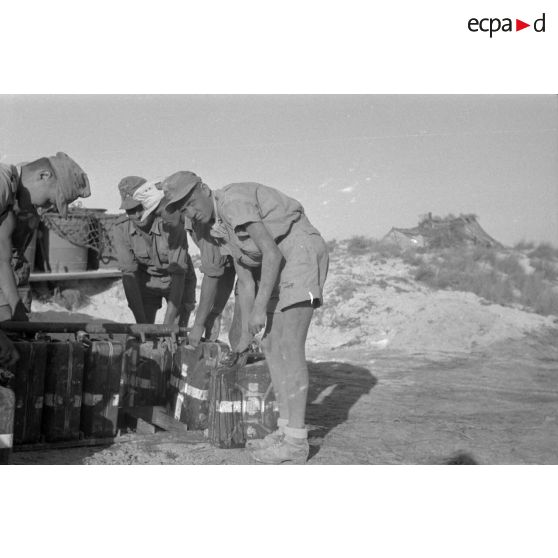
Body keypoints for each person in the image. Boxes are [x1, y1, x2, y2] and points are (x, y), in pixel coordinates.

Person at [161, 171, 329, 464]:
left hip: (298, 251)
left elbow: (272, 254)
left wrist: (260, 308)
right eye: (183, 209)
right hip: (276, 265)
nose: (190, 211)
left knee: (289, 346)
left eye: (189, 202)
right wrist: (247, 332)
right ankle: (284, 430)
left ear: (203, 188)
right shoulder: (218, 228)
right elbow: (246, 281)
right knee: (270, 346)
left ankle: (297, 441)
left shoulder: (232, 202)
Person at [0, 152, 91, 321]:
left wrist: (16, 307)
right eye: (49, 201)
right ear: (44, 175)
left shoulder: (9, 201)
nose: (42, 210)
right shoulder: (2, 183)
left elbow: (2, 262)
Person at [113, 176, 196, 326]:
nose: (137, 215)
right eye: (131, 210)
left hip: (178, 281)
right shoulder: (121, 228)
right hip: (148, 281)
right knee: (145, 337)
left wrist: (168, 325)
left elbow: (178, 272)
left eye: (140, 208)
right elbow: (128, 275)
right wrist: (142, 326)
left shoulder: (170, 222)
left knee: (175, 335)